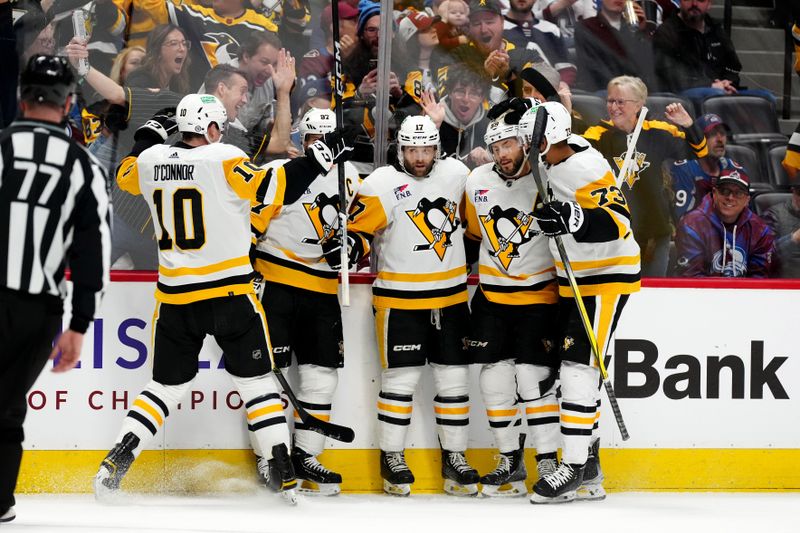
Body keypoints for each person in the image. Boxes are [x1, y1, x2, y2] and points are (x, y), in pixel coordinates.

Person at [93, 93, 356, 504]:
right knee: (256, 383)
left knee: (164, 387)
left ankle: (117, 460)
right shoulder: (224, 158)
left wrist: (148, 135)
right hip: (230, 295)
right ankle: (281, 467)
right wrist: (320, 156)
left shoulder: (149, 162)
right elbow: (277, 188)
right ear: (213, 129)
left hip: (176, 300)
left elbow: (127, 170)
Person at [0, 55, 111, 523]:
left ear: (22, 97)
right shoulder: (84, 168)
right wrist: (80, 323)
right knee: (6, 408)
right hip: (35, 309)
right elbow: (94, 254)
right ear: (69, 104)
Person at [346, 115, 479, 497]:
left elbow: (472, 225)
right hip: (399, 302)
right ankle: (392, 458)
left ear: (437, 149)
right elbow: (357, 233)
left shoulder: (457, 174)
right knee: (399, 384)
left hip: (452, 299)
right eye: (411, 150)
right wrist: (352, 245)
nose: (419, 157)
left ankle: (455, 458)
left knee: (454, 383)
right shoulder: (380, 184)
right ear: (399, 149)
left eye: (426, 149)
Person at [521, 100, 641, 504]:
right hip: (576, 279)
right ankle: (589, 469)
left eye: (533, 140)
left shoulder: (586, 167)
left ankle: (571, 467)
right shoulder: (553, 159)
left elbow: (620, 220)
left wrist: (577, 220)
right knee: (572, 367)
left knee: (578, 368)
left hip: (607, 275)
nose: (528, 147)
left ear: (551, 139)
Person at [251, 108, 360, 495]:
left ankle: (307, 456)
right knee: (264, 377)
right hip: (276, 284)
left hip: (323, 290)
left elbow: (359, 233)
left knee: (321, 376)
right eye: (316, 140)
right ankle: (270, 458)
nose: (322, 149)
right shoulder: (280, 174)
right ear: (303, 140)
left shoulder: (351, 177)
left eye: (329, 141)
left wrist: (349, 246)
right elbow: (250, 225)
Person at [463, 109, 561, 497]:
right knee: (494, 380)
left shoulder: (547, 179)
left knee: (533, 381)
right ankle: (509, 460)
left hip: (538, 295)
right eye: (496, 146)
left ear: (524, 143)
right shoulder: (477, 181)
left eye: (508, 144)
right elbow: (473, 233)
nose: (502, 153)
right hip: (491, 295)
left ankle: (549, 460)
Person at [582, 75, 707, 277]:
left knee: (652, 295)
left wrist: (689, 124)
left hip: (654, 235)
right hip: (613, 234)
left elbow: (700, 151)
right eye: (610, 101)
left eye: (621, 102)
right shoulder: (597, 134)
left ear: (638, 105)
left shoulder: (658, 131)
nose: (614, 107)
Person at [653, 0, 774, 110]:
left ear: (709, 4)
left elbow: (733, 66)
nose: (694, 3)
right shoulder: (666, 32)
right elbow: (672, 75)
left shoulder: (716, 30)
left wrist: (728, 83)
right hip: (682, 95)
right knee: (716, 96)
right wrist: (711, 85)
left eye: (701, 0)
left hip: (719, 90)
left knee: (766, 98)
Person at [675, 168, 776, 278]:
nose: (730, 197)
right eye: (724, 191)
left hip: (745, 294)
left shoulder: (760, 230)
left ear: (747, 200)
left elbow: (760, 278)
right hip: (701, 293)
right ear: (714, 193)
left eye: (738, 193)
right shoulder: (692, 225)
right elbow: (691, 277)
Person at [669, 113, 743, 222]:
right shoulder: (684, 169)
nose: (719, 139)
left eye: (722, 133)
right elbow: (681, 220)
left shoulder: (735, 170)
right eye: (712, 134)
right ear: (698, 139)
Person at [574, 0, 657, 92]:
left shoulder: (634, 28)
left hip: (635, 90)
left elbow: (647, 67)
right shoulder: (586, 27)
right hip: (603, 90)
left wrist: (641, 32)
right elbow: (593, 68)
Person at [502, 0, 576, 85]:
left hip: (551, 92)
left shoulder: (551, 29)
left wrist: (559, 87)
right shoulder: (495, 29)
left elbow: (566, 68)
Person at [763, 178, 800, 279]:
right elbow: (766, 257)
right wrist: (794, 238)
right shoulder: (773, 215)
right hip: (786, 286)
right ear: (793, 191)